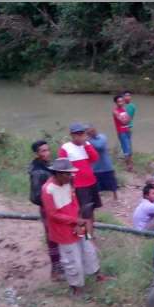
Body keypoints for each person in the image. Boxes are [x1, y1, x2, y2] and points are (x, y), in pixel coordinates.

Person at [40, 158, 108, 295]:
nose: (71, 176)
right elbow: (53, 214)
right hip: (63, 230)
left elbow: (75, 202)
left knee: (89, 249)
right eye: (68, 174)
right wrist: (74, 221)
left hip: (78, 223)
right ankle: (76, 287)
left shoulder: (68, 183)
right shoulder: (48, 190)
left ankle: (97, 274)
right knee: (72, 259)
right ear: (58, 173)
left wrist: (80, 219)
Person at [28, 139, 62, 280]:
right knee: (52, 238)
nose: (47, 153)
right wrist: (49, 203)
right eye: (43, 151)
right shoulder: (37, 172)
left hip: (58, 206)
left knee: (59, 235)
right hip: (48, 209)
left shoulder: (48, 166)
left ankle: (61, 265)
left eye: (47, 150)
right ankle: (55, 271)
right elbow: (35, 196)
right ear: (37, 154)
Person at [58, 122, 101, 235]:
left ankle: (90, 234)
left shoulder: (87, 145)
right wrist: (69, 186)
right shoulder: (65, 148)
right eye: (77, 134)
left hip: (91, 183)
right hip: (78, 186)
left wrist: (86, 145)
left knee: (91, 210)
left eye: (82, 133)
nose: (80, 136)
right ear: (72, 135)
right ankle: (85, 236)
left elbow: (95, 158)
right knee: (82, 212)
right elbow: (62, 169)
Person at [86, 125, 118, 202]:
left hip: (106, 166)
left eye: (92, 131)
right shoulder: (87, 141)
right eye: (89, 132)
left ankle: (115, 197)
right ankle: (98, 199)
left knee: (112, 183)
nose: (91, 133)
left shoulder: (102, 137)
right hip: (95, 167)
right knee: (96, 185)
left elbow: (99, 146)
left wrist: (88, 141)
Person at [112, 94, 133, 172]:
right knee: (126, 150)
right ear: (116, 103)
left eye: (122, 101)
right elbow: (124, 121)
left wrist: (126, 120)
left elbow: (128, 120)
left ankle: (130, 165)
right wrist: (126, 120)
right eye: (119, 101)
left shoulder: (124, 109)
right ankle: (128, 167)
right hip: (121, 132)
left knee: (130, 149)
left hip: (127, 131)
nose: (121, 103)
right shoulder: (115, 111)